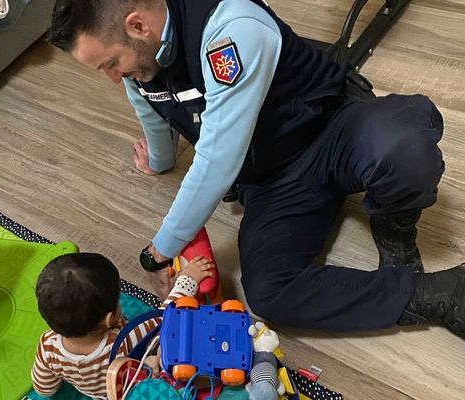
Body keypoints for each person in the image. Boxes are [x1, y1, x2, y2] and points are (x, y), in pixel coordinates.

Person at [47, 0, 465, 338]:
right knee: (269, 292)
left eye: (109, 63)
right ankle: (435, 294)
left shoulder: (231, 26)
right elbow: (155, 115)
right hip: (272, 181)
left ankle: (395, 228)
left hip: (332, 127)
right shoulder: (140, 68)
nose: (112, 78)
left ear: (138, 26)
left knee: (403, 149)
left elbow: (218, 156)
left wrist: (159, 252)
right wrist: (159, 161)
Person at [31, 252, 214, 399]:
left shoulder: (47, 346)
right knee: (159, 358)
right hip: (127, 383)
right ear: (109, 319)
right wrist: (187, 281)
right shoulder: (124, 340)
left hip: (99, 393)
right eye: (117, 300)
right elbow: (164, 317)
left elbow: (44, 388)